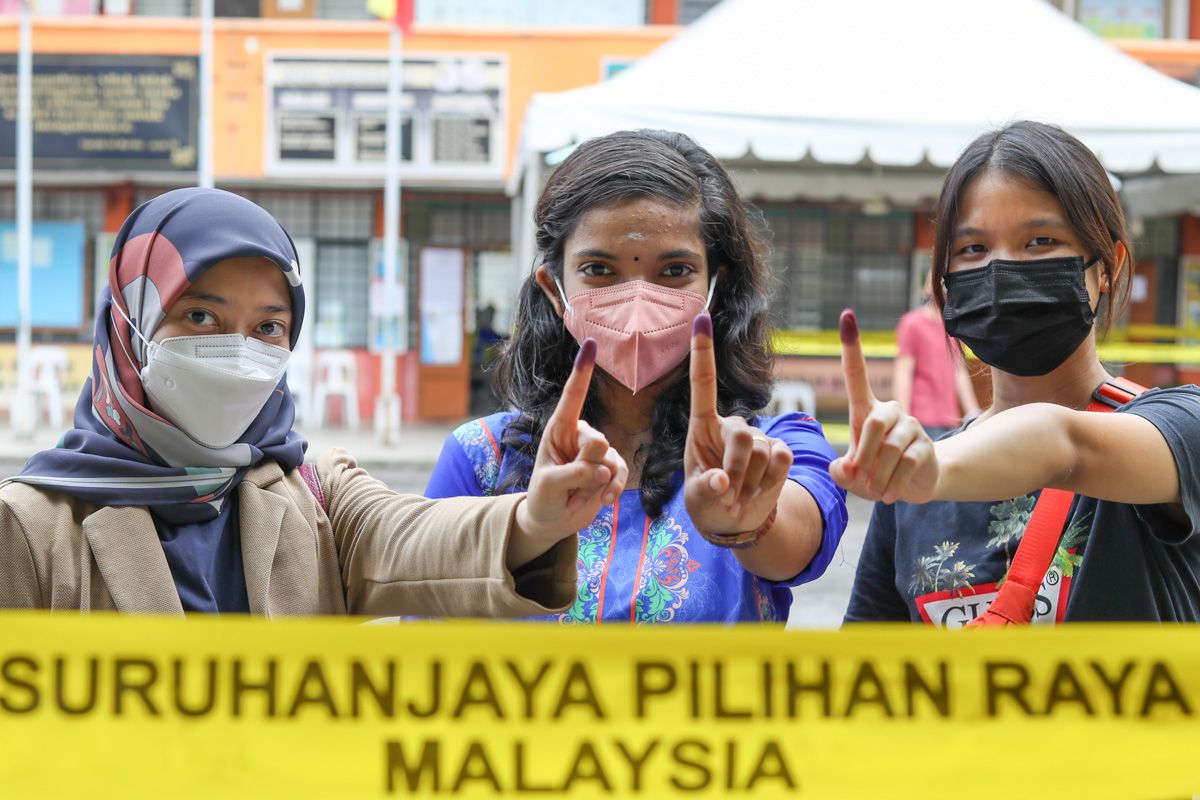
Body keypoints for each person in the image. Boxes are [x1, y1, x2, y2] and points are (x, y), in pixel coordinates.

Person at [0, 187, 628, 616]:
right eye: (200, 316)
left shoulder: (314, 496)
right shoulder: (31, 528)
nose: (238, 350)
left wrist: (532, 522)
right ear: (128, 326)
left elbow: (412, 537)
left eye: (268, 327)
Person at [425, 129, 847, 624]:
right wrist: (526, 529)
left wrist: (747, 522)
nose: (637, 303)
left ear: (717, 287)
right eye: (599, 269)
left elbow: (796, 542)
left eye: (675, 271)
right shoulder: (481, 459)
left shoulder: (769, 452)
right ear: (555, 291)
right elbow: (424, 630)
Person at [837, 120, 1200, 625]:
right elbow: (869, 663)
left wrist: (936, 471)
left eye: (1040, 241)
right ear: (944, 280)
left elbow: (1060, 442)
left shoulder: (1179, 429)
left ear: (1108, 268)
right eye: (973, 249)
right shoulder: (909, 491)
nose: (1002, 270)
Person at [892, 270, 980, 439]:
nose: (940, 285)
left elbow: (959, 371)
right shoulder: (912, 323)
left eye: (944, 281)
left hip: (950, 420)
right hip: (920, 420)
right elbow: (903, 372)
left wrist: (972, 411)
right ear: (925, 288)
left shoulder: (955, 326)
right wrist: (903, 417)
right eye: (934, 280)